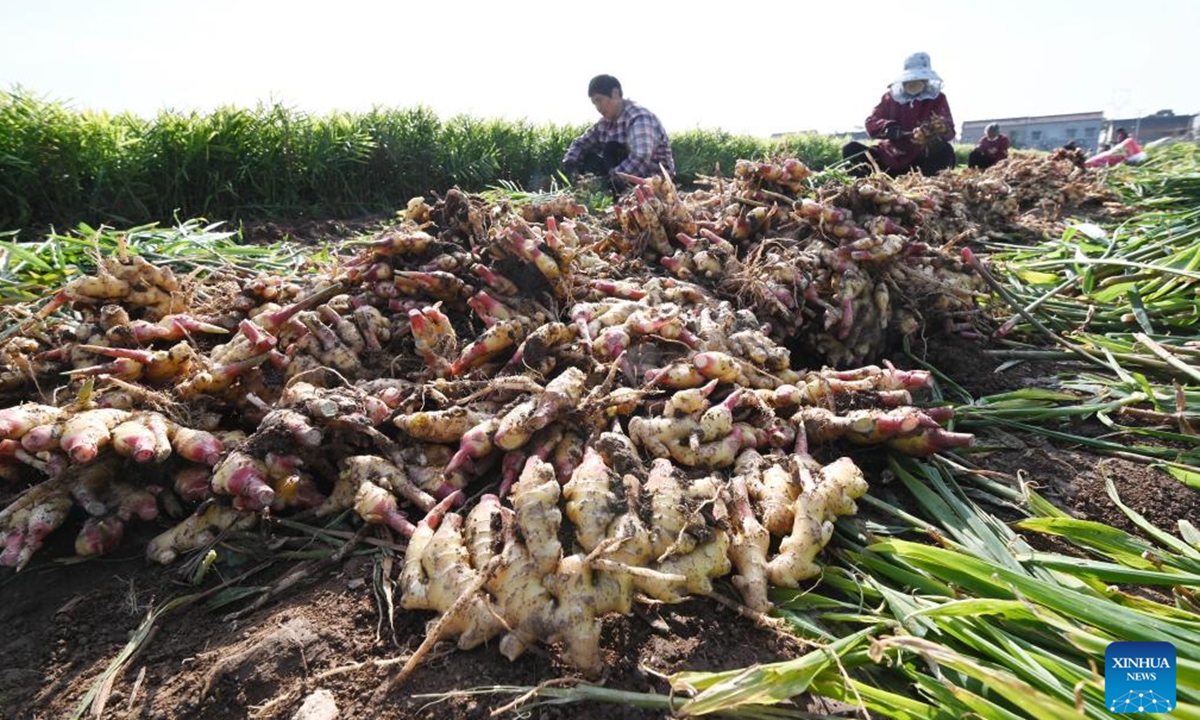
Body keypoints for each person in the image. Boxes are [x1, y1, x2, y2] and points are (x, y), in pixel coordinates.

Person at [842, 52, 957, 177]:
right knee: (851, 149)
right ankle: (864, 186)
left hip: (920, 160)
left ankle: (925, 185)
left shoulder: (938, 98)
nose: (915, 83)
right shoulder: (890, 98)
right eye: (911, 79)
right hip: (888, 157)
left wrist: (941, 128)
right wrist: (887, 127)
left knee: (946, 151)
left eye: (919, 79)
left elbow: (949, 131)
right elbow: (871, 122)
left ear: (926, 80)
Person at [561, 75, 675, 194]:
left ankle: (612, 191)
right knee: (590, 157)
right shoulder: (604, 124)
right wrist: (570, 164)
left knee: (612, 147)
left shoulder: (639, 117)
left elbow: (640, 158)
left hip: (653, 184)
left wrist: (610, 180)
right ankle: (602, 191)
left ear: (615, 94)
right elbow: (581, 143)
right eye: (594, 103)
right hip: (620, 178)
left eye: (599, 100)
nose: (597, 108)